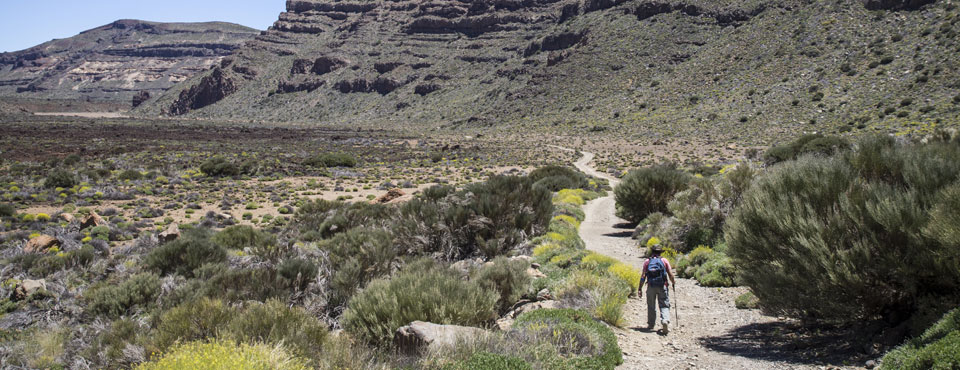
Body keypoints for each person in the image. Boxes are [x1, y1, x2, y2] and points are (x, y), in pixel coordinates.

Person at [638, 243, 676, 334]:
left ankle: (651, 324)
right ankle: (665, 321)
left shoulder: (647, 261)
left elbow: (643, 276)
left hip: (651, 286)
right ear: (660, 252)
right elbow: (670, 274)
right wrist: (673, 282)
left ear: (652, 251)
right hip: (662, 285)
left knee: (651, 305)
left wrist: (640, 288)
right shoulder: (664, 260)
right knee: (664, 304)